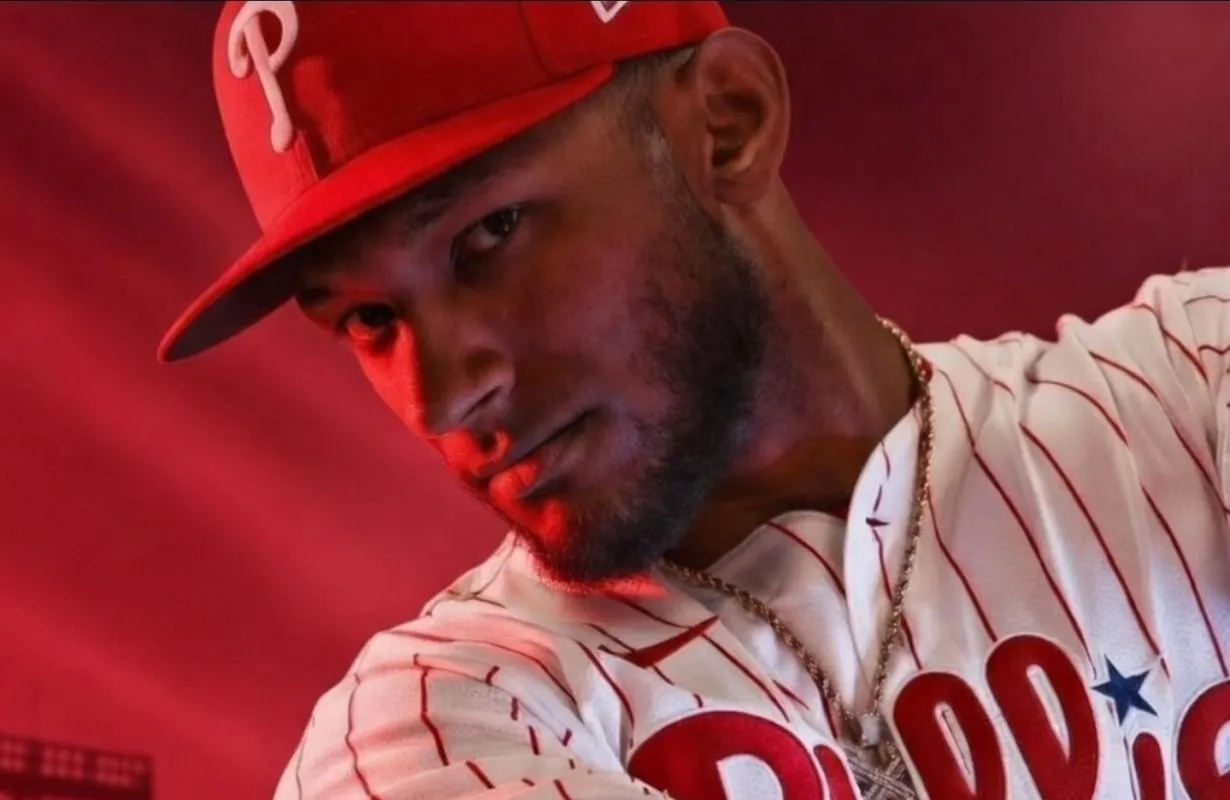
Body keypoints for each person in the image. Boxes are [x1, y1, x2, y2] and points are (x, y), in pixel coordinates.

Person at [159, 1, 1230, 798]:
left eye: (488, 235)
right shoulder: (427, 726)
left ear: (726, 123)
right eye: (368, 319)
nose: (443, 394)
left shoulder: (1189, 384)